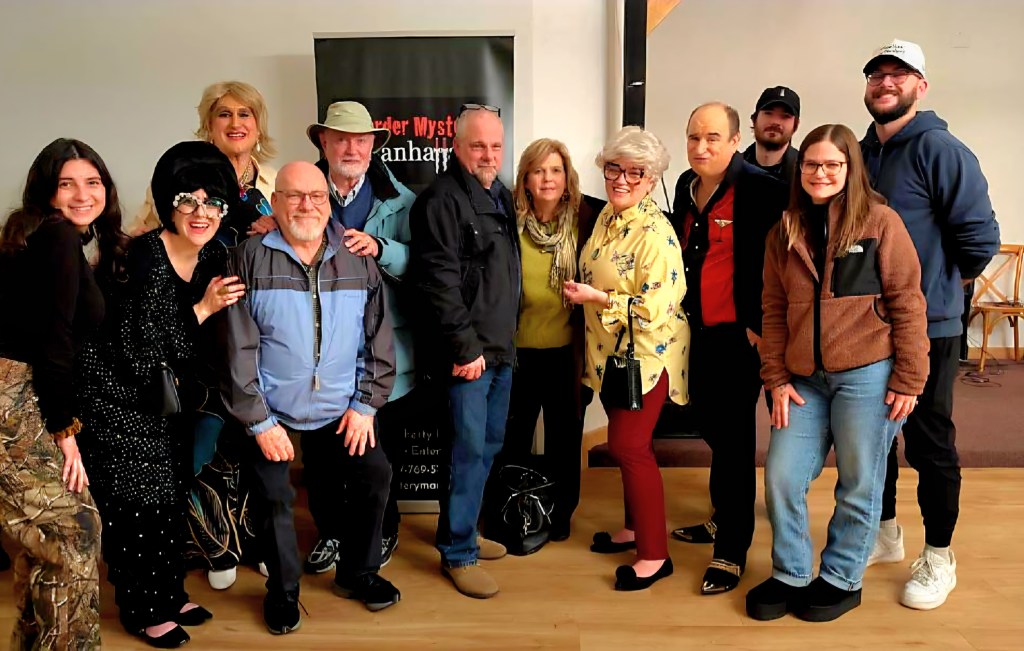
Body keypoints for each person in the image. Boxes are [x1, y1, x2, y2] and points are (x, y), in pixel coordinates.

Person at [746, 123, 929, 623]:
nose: (821, 173)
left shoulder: (881, 223)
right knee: (782, 476)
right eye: (811, 164)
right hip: (803, 381)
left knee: (858, 481)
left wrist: (910, 377)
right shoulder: (784, 231)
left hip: (867, 376)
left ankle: (843, 577)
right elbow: (773, 310)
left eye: (832, 164)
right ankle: (790, 572)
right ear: (799, 169)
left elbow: (908, 301)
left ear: (851, 168)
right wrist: (775, 378)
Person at [220, 161, 398, 635]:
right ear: (275, 203)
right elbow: (236, 348)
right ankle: (282, 590)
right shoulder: (248, 257)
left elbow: (378, 339)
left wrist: (365, 405)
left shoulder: (357, 258)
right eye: (294, 196)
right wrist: (259, 422)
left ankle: (358, 573)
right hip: (272, 407)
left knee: (375, 473)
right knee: (274, 494)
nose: (307, 205)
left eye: (317, 196)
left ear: (328, 202)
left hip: (342, 406)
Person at [77, 141, 241, 647]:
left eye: (212, 202)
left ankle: (169, 595)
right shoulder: (143, 257)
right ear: (169, 204)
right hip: (116, 402)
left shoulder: (213, 254)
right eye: (188, 200)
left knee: (169, 502)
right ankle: (141, 610)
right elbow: (138, 353)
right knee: (137, 510)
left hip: (168, 404)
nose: (200, 212)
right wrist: (203, 310)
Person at [859, 39, 1001, 610]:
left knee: (928, 440)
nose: (886, 82)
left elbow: (980, 238)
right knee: (872, 435)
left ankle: (939, 555)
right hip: (868, 324)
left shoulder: (941, 149)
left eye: (900, 74)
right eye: (877, 74)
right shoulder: (862, 152)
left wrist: (940, 287)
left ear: (921, 85)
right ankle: (884, 532)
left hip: (930, 326)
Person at [669, 102, 788, 595]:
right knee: (709, 422)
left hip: (741, 336)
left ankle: (732, 550)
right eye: (694, 137)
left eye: (712, 137)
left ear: (737, 140)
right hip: (695, 333)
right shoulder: (685, 185)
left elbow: (780, 261)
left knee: (735, 439)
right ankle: (722, 515)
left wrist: (761, 323)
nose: (701, 147)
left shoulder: (762, 189)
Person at [565, 125, 688, 591]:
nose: (621, 179)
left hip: (647, 358)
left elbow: (656, 310)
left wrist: (597, 298)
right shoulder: (608, 215)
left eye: (635, 172)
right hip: (612, 356)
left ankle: (655, 555)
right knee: (626, 445)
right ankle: (634, 529)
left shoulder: (655, 234)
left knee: (630, 447)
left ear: (652, 178)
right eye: (614, 168)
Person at [0, 138, 112, 650]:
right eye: (67, 184)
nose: (83, 194)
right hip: (14, 394)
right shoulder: (60, 237)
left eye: (92, 182)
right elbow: (55, 340)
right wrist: (65, 433)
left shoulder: (45, 237)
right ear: (47, 192)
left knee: (48, 538)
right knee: (74, 530)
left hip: (21, 388)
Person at [410, 104, 520, 599]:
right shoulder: (440, 200)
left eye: (496, 146)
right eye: (478, 145)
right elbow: (439, 282)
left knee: (487, 447)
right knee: (466, 451)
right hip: (468, 356)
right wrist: (464, 347)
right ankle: (458, 553)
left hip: (500, 352)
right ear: (456, 147)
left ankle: (464, 531)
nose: (488, 155)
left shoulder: (500, 194)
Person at [303, 100, 416, 572]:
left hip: (382, 352)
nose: (352, 148)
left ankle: (384, 529)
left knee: (381, 454)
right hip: (316, 352)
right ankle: (331, 530)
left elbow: (423, 265)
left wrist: (382, 248)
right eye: (341, 139)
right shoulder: (299, 194)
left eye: (361, 140)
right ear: (324, 143)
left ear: (373, 146)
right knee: (320, 452)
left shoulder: (401, 200)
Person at [490, 138, 600, 543]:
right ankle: (512, 511)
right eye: (538, 171)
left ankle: (559, 513)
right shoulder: (508, 220)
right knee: (512, 439)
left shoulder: (587, 218)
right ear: (525, 180)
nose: (547, 179)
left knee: (564, 441)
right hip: (516, 353)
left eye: (555, 170)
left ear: (567, 177)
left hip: (567, 354)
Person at [126, 80, 279, 243]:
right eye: (224, 114)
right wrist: (139, 239)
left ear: (258, 128)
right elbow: (136, 234)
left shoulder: (277, 183)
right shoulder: (174, 176)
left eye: (244, 114)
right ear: (209, 126)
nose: (235, 124)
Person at [743, 86, 801, 186]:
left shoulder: (803, 174)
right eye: (768, 113)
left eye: (785, 116)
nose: (775, 122)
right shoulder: (732, 170)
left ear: (795, 125)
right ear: (754, 119)